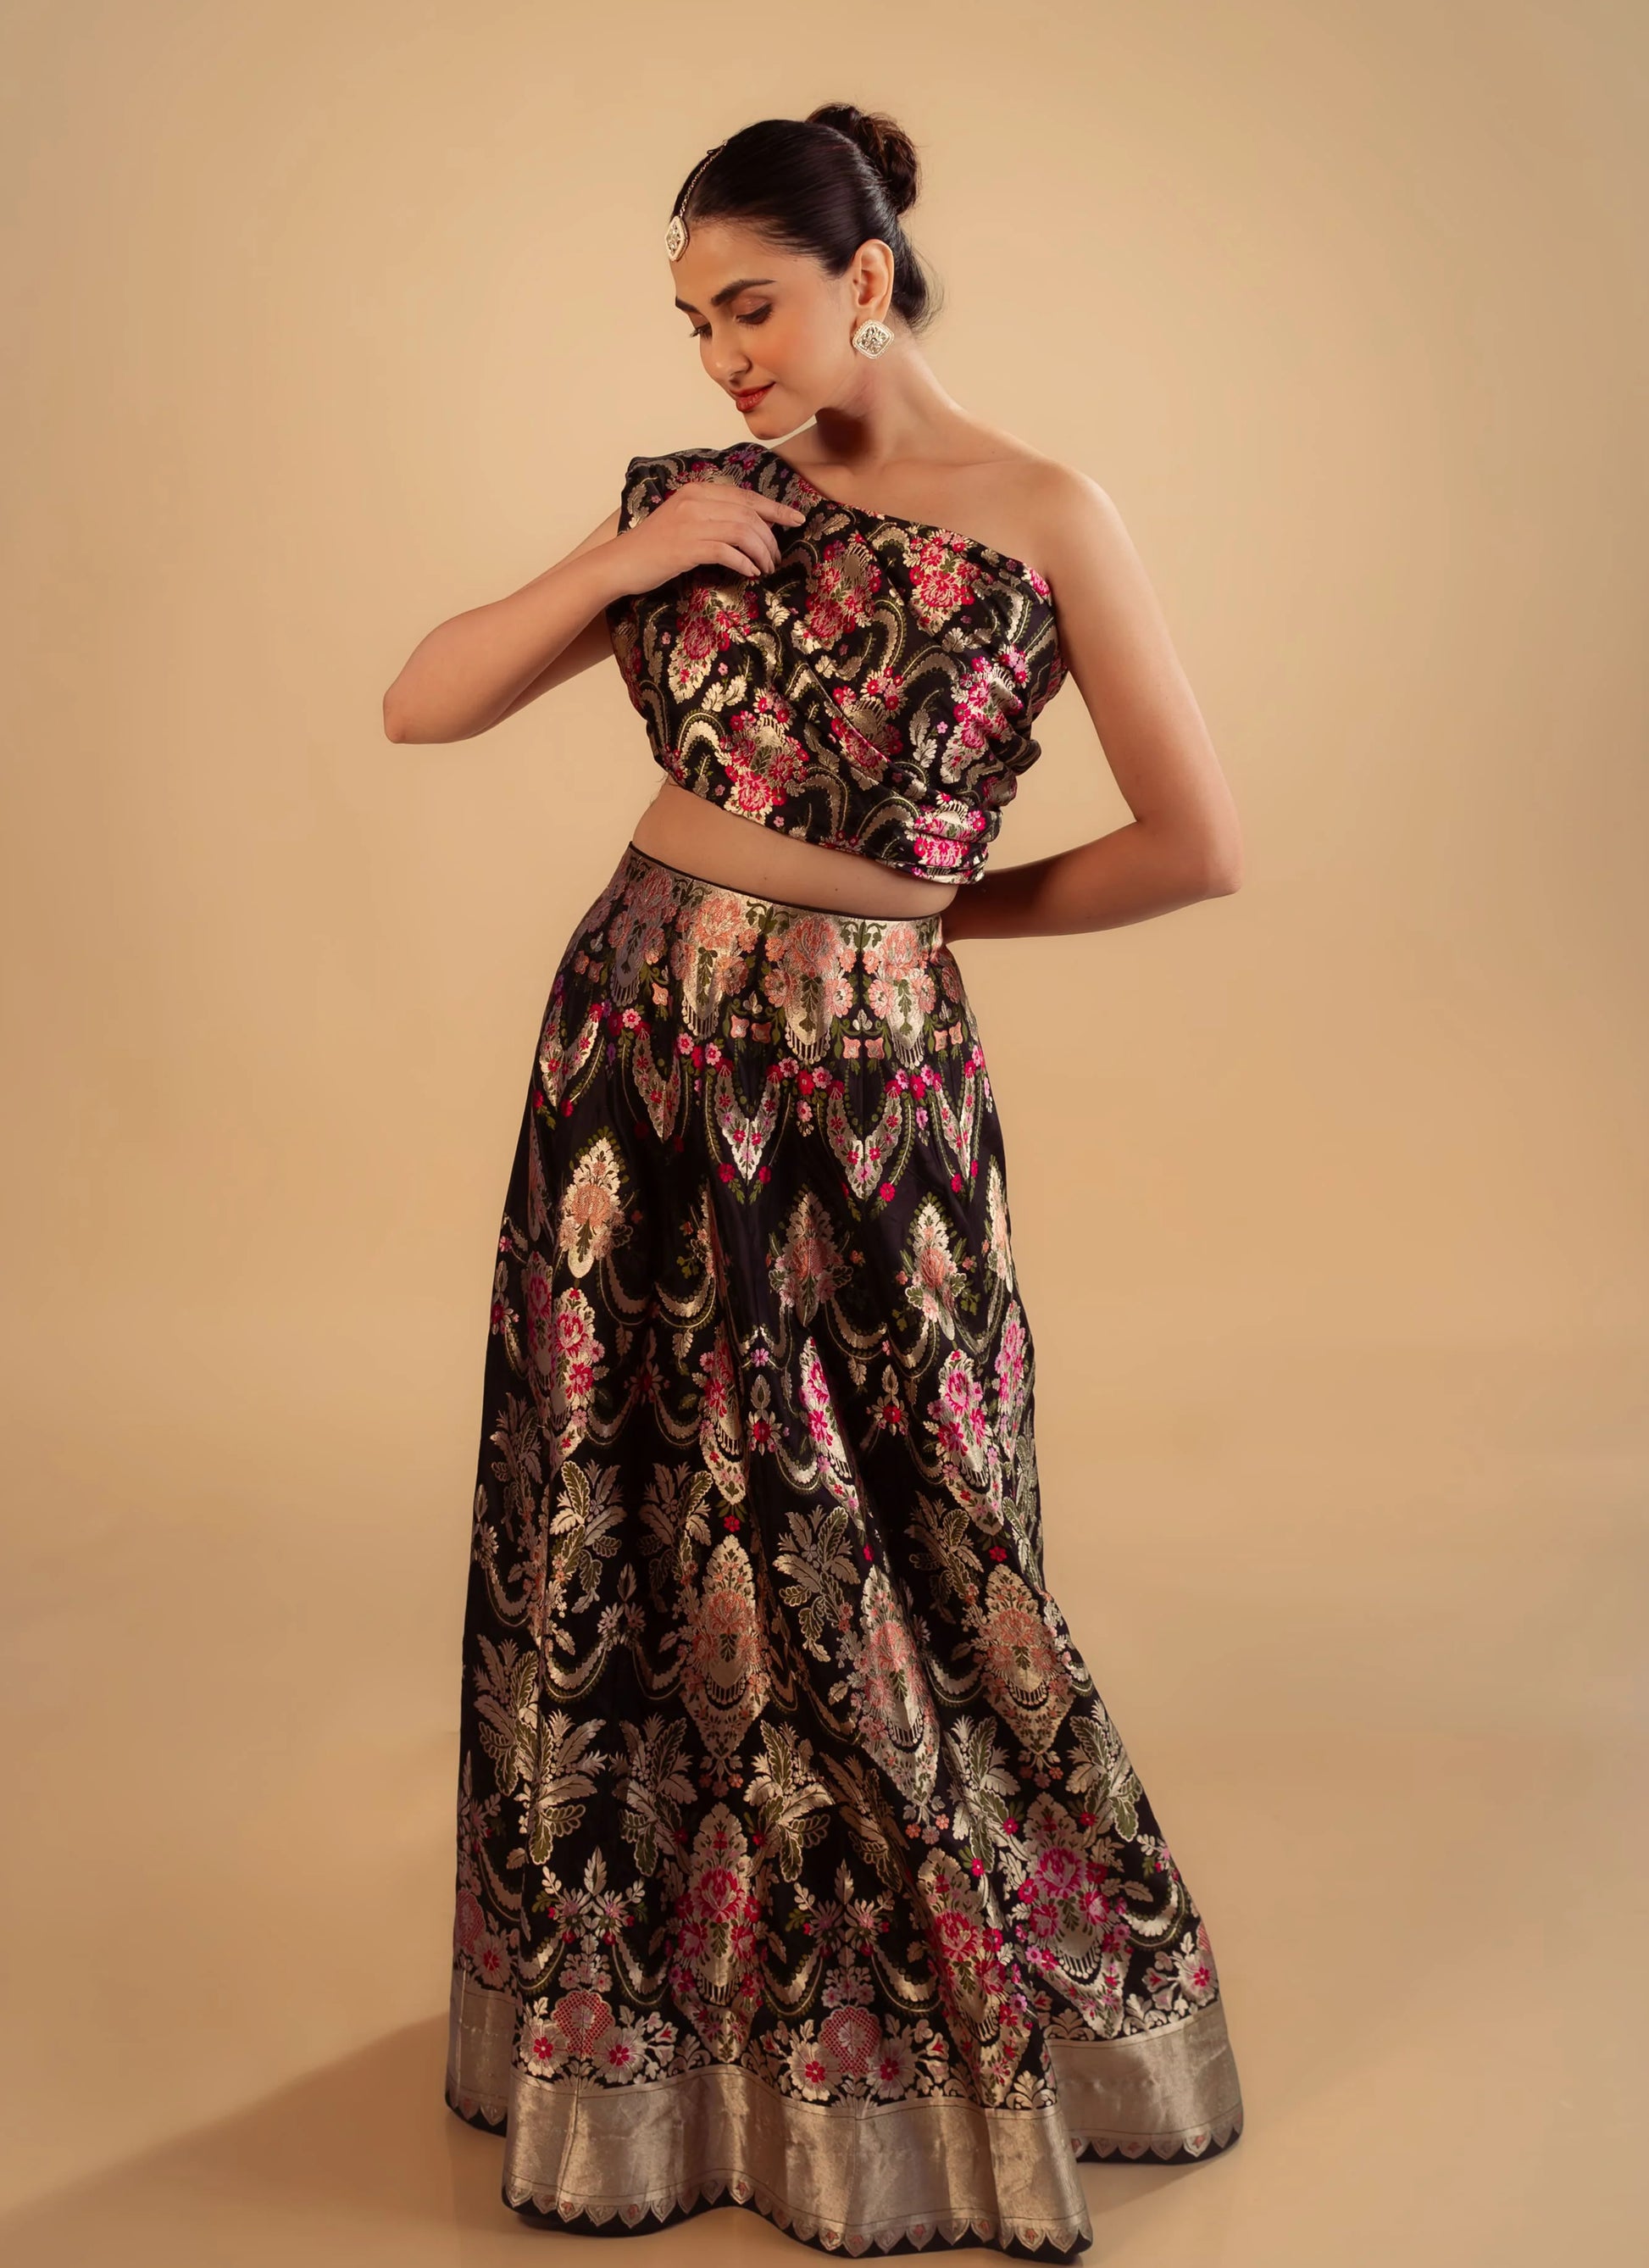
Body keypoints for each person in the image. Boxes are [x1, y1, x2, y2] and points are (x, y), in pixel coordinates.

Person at [384, 101, 1245, 2262]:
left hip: (866, 1100)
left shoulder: (1044, 512)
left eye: (749, 306)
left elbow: (1193, 843)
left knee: (911, 1532)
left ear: (865, 277)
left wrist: (915, 930)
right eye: (692, 323)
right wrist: (621, 563)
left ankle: (954, 2033)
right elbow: (421, 703)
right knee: (627, 1525)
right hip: (631, 1060)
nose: (723, 357)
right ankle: (660, 2046)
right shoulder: (700, 502)